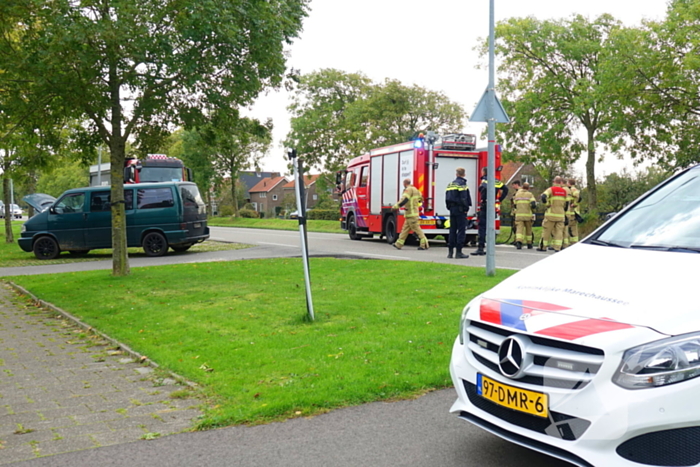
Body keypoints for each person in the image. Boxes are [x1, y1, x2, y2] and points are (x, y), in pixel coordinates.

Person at [473, 167, 508, 256]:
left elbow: (482, 189)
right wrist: (499, 199)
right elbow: (506, 189)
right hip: (492, 206)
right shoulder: (496, 181)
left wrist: (483, 199)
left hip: (485, 206)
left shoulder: (484, 180)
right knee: (490, 227)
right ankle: (490, 247)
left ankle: (480, 248)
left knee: (482, 227)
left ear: (484, 172)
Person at [392, 178, 429, 250]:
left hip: (411, 213)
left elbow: (405, 199)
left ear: (405, 183)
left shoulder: (408, 190)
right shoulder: (416, 190)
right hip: (413, 213)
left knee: (417, 229)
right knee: (405, 229)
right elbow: (421, 199)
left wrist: (395, 207)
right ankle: (398, 244)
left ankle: (424, 244)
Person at [445, 167, 472, 259]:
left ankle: (450, 252)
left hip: (452, 209)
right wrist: (466, 208)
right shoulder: (462, 184)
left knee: (452, 230)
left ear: (456, 174)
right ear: (464, 174)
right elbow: (464, 197)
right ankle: (459, 252)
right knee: (461, 230)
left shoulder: (450, 184)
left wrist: (449, 207)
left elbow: (447, 197)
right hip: (460, 209)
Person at [538, 176, 569, 252]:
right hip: (561, 215)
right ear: (560, 182)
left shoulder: (551, 189)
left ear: (554, 182)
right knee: (559, 231)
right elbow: (567, 203)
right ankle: (557, 247)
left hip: (551, 215)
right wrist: (564, 211)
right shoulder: (564, 191)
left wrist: (547, 204)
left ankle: (543, 247)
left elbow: (543, 196)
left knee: (546, 231)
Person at [513, 182, 537, 249]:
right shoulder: (530, 194)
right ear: (528, 188)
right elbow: (533, 204)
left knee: (519, 230)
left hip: (519, 215)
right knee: (528, 230)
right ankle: (529, 244)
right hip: (527, 215)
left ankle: (519, 242)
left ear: (522, 187)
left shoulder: (517, 194)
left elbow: (514, 204)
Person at [564, 178, 582, 248]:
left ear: (569, 183)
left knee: (567, 228)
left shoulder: (572, 189)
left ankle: (566, 243)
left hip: (571, 212)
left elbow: (577, 197)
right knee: (573, 229)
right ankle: (574, 243)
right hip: (574, 213)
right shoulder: (574, 189)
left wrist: (574, 204)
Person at [509, 180, 521, 244]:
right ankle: (515, 239)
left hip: (518, 212)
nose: (513, 187)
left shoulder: (519, 192)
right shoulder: (517, 192)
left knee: (516, 227)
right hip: (515, 212)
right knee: (514, 227)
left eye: (513, 185)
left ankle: (517, 240)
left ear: (516, 184)